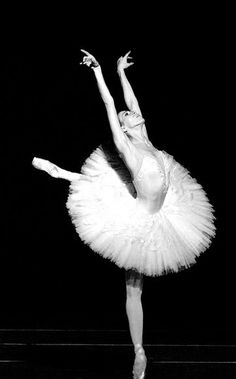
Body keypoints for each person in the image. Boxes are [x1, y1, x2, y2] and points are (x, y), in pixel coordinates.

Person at [32, 49, 216, 379]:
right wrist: (99, 72)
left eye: (131, 114)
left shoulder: (142, 135)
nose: (131, 114)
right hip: (139, 223)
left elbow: (132, 104)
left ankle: (62, 173)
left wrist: (121, 73)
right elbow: (108, 105)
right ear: (124, 130)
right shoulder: (128, 147)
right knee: (134, 289)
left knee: (135, 283)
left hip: (168, 213)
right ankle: (139, 352)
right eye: (126, 117)